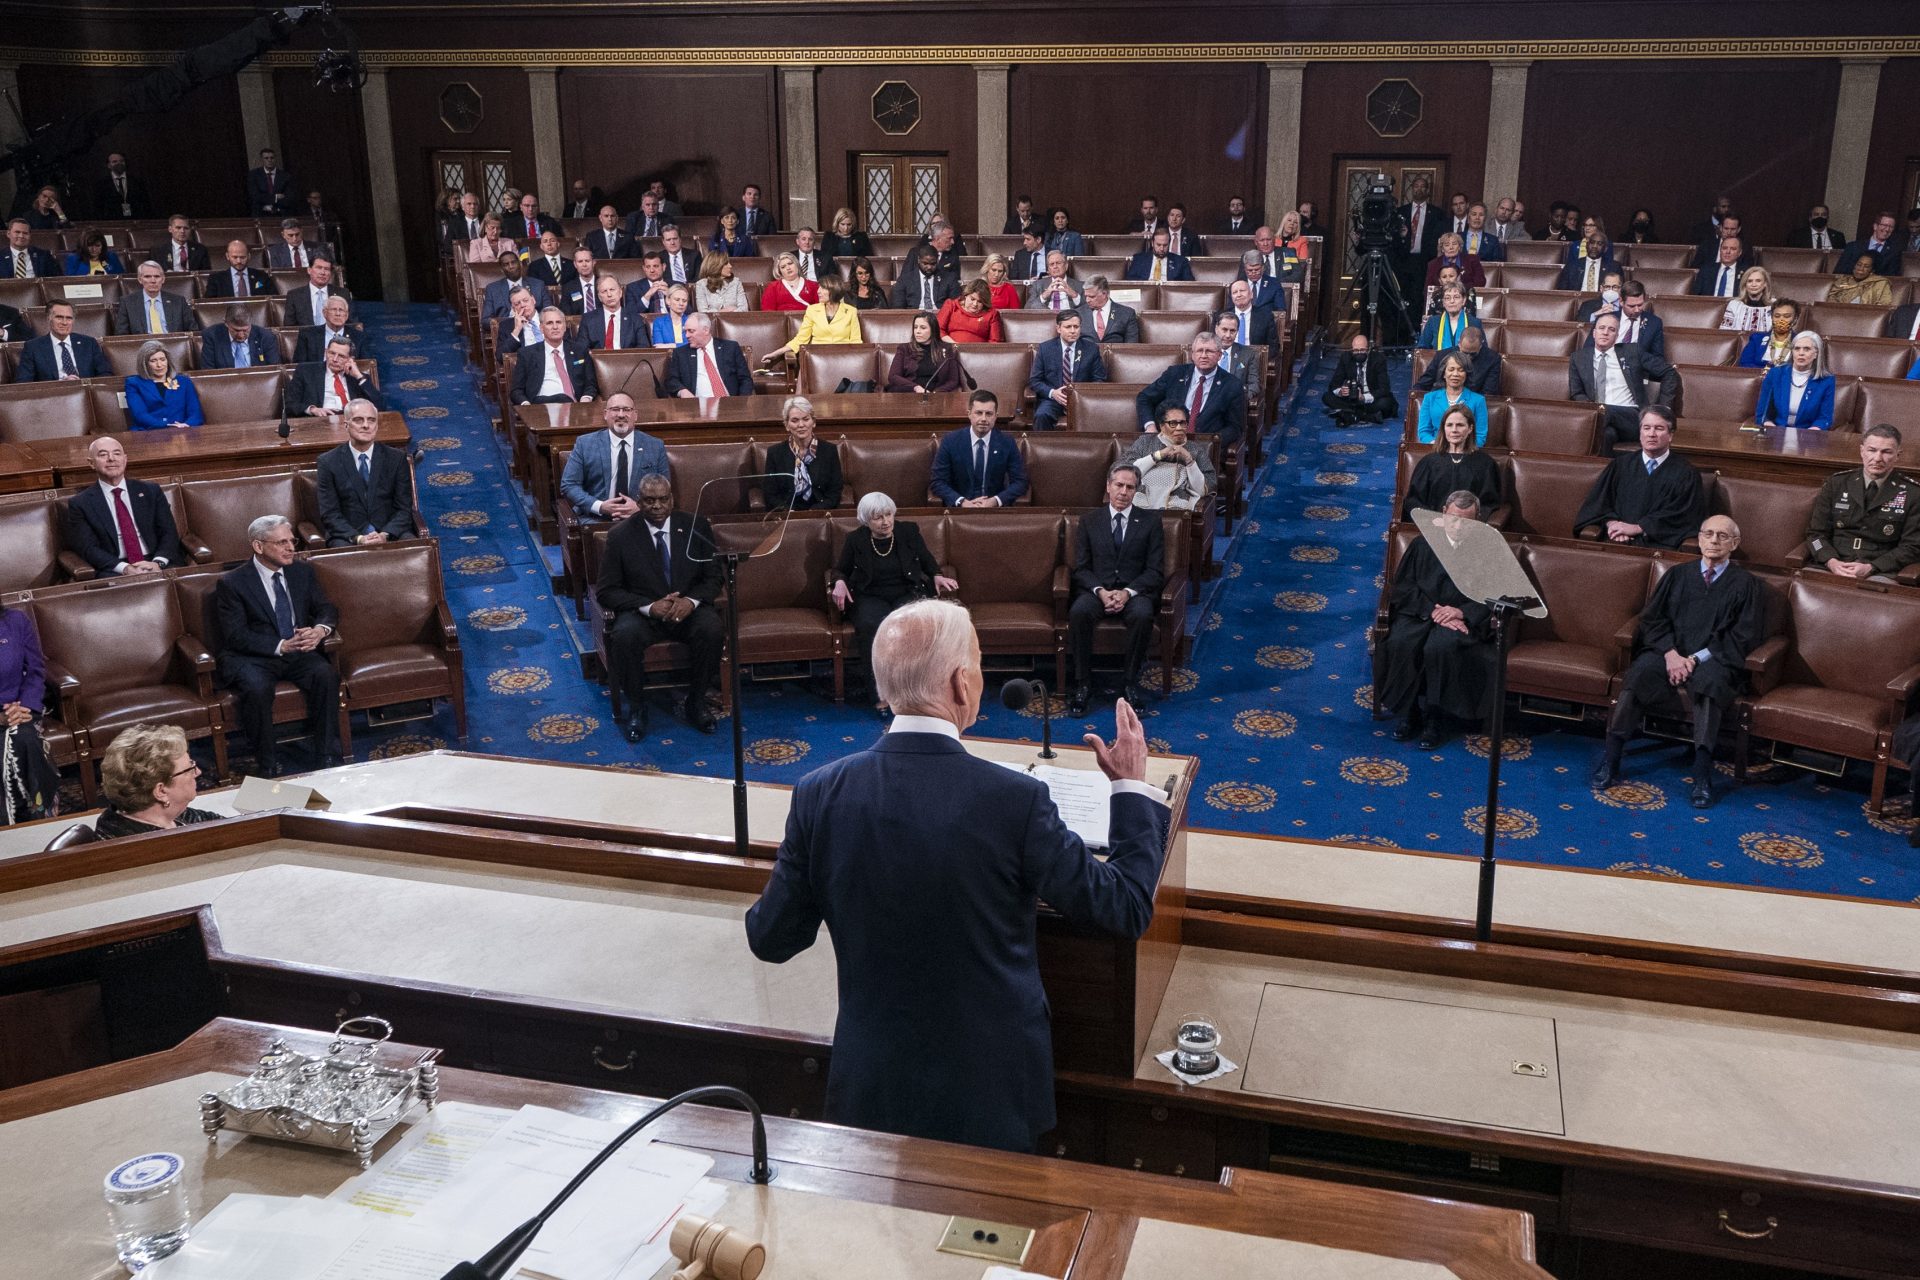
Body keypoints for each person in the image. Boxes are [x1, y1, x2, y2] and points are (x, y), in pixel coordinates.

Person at [745, 597, 1168, 1151]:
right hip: (988, 1094)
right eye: (979, 662)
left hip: (874, 1084)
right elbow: (1124, 908)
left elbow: (771, 938)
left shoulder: (819, 793)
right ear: (961, 683)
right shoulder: (1014, 801)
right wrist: (1130, 788)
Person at [1591, 515, 1763, 809]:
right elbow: (1652, 621)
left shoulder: (1746, 585)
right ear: (1698, 539)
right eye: (1708, 534)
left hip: (1714, 659)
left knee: (1710, 686)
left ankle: (1702, 775)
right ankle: (1612, 758)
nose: (1714, 540)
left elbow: (1742, 636)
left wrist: (1694, 659)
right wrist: (1671, 655)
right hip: (1668, 655)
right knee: (1639, 675)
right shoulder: (1677, 575)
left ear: (1735, 544)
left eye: (1723, 536)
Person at [597, 474, 724, 739]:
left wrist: (690, 601)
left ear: (672, 499)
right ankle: (637, 707)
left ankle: (696, 701)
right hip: (643, 613)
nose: (657, 506)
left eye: (663, 499)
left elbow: (714, 577)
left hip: (686, 611)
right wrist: (649, 606)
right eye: (649, 500)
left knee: (711, 628)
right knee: (624, 636)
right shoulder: (620, 536)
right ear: (639, 502)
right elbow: (607, 591)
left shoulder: (695, 526)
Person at [214, 515, 340, 777]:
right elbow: (236, 635)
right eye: (281, 542)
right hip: (254, 656)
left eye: (291, 541)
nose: (291, 548)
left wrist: (319, 630)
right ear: (258, 546)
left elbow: (325, 608)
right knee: (257, 688)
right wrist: (281, 645)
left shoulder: (301, 571)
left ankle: (326, 756)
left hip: (298, 652)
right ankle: (268, 763)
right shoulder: (232, 583)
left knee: (325, 674)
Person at [1379, 493, 1498, 750]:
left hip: (1461, 620)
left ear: (1478, 520)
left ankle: (1436, 720)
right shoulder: (1423, 545)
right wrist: (1432, 611)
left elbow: (1493, 595)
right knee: (1401, 642)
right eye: (1453, 520)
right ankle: (1409, 714)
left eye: (1466, 522)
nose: (1458, 527)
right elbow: (1403, 588)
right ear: (1443, 514)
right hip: (1421, 614)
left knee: (1440, 649)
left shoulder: (1487, 551)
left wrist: (1461, 613)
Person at [831, 495, 957, 711]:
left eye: (888, 514)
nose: (885, 521)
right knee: (872, 627)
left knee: (913, 625)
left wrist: (936, 575)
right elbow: (841, 568)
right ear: (866, 520)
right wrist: (839, 582)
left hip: (905, 591)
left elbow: (926, 559)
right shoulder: (856, 539)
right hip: (870, 595)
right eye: (878, 518)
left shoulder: (908, 531)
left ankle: (916, 691)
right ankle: (881, 693)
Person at [1066, 464, 1163, 714]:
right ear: (1108, 486)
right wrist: (1100, 591)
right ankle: (1083, 684)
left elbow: (1154, 571)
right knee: (1079, 612)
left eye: (1130, 487)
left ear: (1136, 491)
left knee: (1143, 615)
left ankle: (1130, 683)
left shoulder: (1151, 522)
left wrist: (1127, 592)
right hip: (1097, 591)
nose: (1123, 492)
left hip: (1134, 593)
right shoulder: (1089, 521)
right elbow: (1081, 568)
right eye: (1119, 485)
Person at [1573, 405, 1705, 548]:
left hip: (1658, 546)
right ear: (1640, 432)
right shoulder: (1620, 465)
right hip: (1615, 541)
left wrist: (1639, 528)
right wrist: (1614, 525)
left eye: (1659, 428)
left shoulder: (1686, 474)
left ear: (1670, 435)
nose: (1651, 434)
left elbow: (1684, 518)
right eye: (1646, 428)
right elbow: (1599, 505)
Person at [1802, 425, 1920, 582]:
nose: (1878, 458)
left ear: (1898, 455)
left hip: (1880, 571)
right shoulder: (1836, 483)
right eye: (1872, 450)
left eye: (1886, 452)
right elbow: (1815, 536)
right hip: (1831, 564)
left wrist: (1872, 567)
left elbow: (1912, 548)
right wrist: (1830, 561)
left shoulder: (1913, 493)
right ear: (1862, 451)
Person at [62, 435, 183, 576]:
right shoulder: (81, 503)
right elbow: (89, 548)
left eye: (117, 453)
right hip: (115, 567)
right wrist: (125, 568)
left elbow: (169, 532)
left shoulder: (150, 491)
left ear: (125, 459)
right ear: (91, 463)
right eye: (103, 455)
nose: (111, 459)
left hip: (156, 562)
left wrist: (158, 563)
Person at [1570, 311, 1683, 449]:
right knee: (1607, 434)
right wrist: (1591, 410)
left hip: (1633, 416)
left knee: (1604, 411)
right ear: (1594, 333)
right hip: (1602, 420)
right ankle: (1605, 469)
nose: (1605, 332)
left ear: (1617, 336)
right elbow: (1576, 393)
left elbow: (1669, 372)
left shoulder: (1632, 352)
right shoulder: (1578, 358)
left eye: (1611, 330)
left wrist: (1664, 407)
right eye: (1601, 328)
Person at [90, 725, 222, 836]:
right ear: (161, 791)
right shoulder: (139, 849)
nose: (198, 772)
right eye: (189, 768)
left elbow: (224, 825)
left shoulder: (173, 814)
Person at [315, 400, 415, 546]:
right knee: (341, 553)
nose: (366, 425)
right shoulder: (328, 462)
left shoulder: (397, 458)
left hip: (389, 532)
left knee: (413, 548)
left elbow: (404, 509)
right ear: (346, 424)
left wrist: (385, 535)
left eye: (371, 420)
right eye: (358, 420)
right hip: (348, 536)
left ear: (377, 425)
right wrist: (359, 538)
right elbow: (330, 514)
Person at [560, 391, 667, 520]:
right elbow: (569, 485)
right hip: (596, 519)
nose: (621, 415)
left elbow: (664, 488)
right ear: (605, 414)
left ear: (635, 415)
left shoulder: (655, 446)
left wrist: (641, 507)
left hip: (641, 518)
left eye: (627, 409)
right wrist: (599, 506)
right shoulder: (585, 444)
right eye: (615, 409)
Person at [0, 598, 55, 825]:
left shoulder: (15, 621)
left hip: (20, 709)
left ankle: (37, 816)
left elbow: (35, 670)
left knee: (25, 739)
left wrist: (25, 707)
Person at [1133, 335, 1245, 445]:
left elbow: (1235, 427)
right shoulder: (1175, 374)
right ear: (1193, 354)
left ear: (1219, 355)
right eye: (1199, 351)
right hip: (1166, 441)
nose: (1203, 355)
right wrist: (1150, 427)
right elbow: (1144, 397)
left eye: (1209, 351)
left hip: (1203, 448)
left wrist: (1211, 442)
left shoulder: (1232, 385)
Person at [1403, 406, 1500, 520]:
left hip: (1469, 529)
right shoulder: (1428, 462)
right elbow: (1414, 500)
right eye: (1449, 425)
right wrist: (1431, 520)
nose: (1454, 430)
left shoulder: (1485, 464)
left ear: (1470, 428)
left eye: (1460, 425)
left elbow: (1488, 503)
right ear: (1443, 429)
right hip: (1432, 527)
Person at [931, 390, 1026, 507]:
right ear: (969, 414)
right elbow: (938, 482)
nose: (984, 419)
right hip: (960, 510)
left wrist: (995, 501)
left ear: (996, 416)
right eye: (979, 413)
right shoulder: (950, 441)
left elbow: (1020, 482)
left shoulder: (1007, 442)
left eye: (989, 414)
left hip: (993, 510)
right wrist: (962, 502)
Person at [1124, 406, 1214, 512]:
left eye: (1183, 423)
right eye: (1173, 423)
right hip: (1143, 500)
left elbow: (1203, 489)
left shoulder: (1196, 449)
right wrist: (1158, 455)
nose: (1179, 428)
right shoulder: (1144, 442)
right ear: (1161, 426)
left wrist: (1189, 461)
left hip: (1176, 504)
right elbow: (1126, 472)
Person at [763, 396, 844, 511]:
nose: (801, 425)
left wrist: (815, 511)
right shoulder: (775, 453)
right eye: (795, 420)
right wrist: (787, 512)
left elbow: (835, 491)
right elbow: (770, 493)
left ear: (813, 422)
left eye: (806, 419)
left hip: (820, 513)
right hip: (787, 515)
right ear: (786, 425)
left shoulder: (829, 451)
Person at [1029, 311, 1107, 430]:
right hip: (1054, 398)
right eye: (1068, 327)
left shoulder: (1091, 349)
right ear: (1058, 328)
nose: (1072, 331)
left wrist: (1083, 396)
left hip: (1082, 400)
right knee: (1042, 415)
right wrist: (1053, 393)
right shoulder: (1045, 348)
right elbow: (1035, 380)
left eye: (1076, 327)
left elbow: (1099, 379)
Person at [509, 307, 598, 405]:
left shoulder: (579, 350)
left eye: (559, 322)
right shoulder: (527, 354)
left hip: (576, 407)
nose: (555, 327)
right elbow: (516, 390)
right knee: (562, 398)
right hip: (541, 407)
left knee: (565, 399)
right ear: (541, 328)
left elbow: (591, 384)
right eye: (549, 323)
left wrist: (586, 399)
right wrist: (526, 405)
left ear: (564, 327)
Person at [764, 276, 861, 365]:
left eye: (822, 288)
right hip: (818, 359)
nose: (818, 291)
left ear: (833, 290)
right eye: (818, 288)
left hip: (843, 359)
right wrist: (776, 353)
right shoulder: (812, 310)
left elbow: (856, 341)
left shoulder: (851, 311)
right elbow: (801, 339)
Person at [1754, 333, 1835, 430]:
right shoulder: (1775, 374)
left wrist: (1812, 432)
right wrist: (1769, 425)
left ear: (1816, 354)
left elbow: (1824, 418)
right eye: (1797, 348)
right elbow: (1762, 412)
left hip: (1808, 435)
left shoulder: (1826, 381)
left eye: (1807, 349)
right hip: (1777, 433)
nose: (1801, 353)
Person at [666, 313, 755, 397]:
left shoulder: (730, 348)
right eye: (685, 331)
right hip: (698, 406)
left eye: (691, 331)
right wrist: (682, 391)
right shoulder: (681, 354)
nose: (687, 335)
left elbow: (745, 379)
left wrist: (742, 402)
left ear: (706, 330)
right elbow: (671, 380)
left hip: (731, 404)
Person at [16, 301, 109, 381]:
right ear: (49, 318)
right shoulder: (33, 347)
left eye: (69, 318)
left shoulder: (89, 343)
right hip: (55, 397)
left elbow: (105, 373)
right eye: (59, 317)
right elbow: (24, 382)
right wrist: (61, 385)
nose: (64, 323)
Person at [1414, 351, 1489, 446]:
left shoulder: (1478, 401)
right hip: (1436, 450)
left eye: (1461, 370)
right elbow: (1424, 432)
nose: (1455, 374)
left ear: (1467, 374)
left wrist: (1461, 449)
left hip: (1466, 453)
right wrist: (1439, 446)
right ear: (1444, 373)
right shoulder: (1430, 398)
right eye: (1451, 369)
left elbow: (1480, 436)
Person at [124, 340, 203, 430]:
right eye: (153, 361)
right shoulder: (134, 383)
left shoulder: (184, 382)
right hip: (148, 432)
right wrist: (167, 426)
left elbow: (195, 414)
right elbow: (140, 415)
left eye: (162, 359)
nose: (159, 365)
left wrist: (186, 425)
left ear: (168, 361)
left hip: (181, 431)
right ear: (145, 364)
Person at [886, 310, 968, 394]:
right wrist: (916, 387)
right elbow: (893, 376)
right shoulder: (904, 349)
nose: (917, 331)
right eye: (915, 327)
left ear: (933, 330)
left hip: (937, 397)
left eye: (923, 328)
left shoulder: (947, 349)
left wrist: (936, 392)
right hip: (909, 393)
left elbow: (953, 380)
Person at [1323, 332, 1397, 426]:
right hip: (1351, 399)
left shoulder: (1378, 359)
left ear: (1368, 349)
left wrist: (1364, 397)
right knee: (1327, 397)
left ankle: (1349, 414)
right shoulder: (1346, 358)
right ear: (1352, 350)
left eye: (1362, 350)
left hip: (1371, 399)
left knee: (1386, 403)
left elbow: (1385, 388)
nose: (1359, 353)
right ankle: (1365, 416)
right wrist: (1341, 391)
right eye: (1356, 350)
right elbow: (1334, 384)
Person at [1414, 324, 1501, 397]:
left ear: (1481, 345)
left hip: (1472, 405)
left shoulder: (1492, 359)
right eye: (1465, 353)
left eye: (1473, 354)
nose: (1468, 357)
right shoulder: (1442, 356)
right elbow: (1423, 384)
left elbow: (1489, 393)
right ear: (1459, 344)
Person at [113, 260, 192, 335]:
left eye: (157, 276)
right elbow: (121, 334)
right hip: (143, 346)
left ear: (163, 279)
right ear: (140, 280)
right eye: (147, 276)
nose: (153, 280)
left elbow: (192, 330)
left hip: (173, 344)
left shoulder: (178, 301)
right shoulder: (128, 302)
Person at [198, 306, 281, 369]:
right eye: (236, 330)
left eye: (245, 330)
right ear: (226, 323)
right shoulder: (212, 336)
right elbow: (208, 371)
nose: (241, 335)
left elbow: (274, 371)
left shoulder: (266, 337)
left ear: (250, 323)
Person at [481, 251, 547, 327]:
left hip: (536, 327)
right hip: (507, 331)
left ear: (520, 264)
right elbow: (485, 320)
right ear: (501, 269)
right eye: (506, 264)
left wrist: (533, 320)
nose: (511, 266)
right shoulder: (492, 289)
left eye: (514, 262)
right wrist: (512, 322)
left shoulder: (538, 284)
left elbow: (549, 311)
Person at [580, 274, 643, 351]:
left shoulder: (635, 319)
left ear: (620, 292)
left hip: (628, 361)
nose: (609, 295)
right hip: (599, 361)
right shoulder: (588, 319)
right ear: (599, 297)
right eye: (604, 291)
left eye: (612, 289)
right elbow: (581, 349)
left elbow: (643, 347)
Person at [889, 247, 958, 311]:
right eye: (925, 263)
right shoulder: (905, 279)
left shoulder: (949, 278)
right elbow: (898, 306)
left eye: (933, 264)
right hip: (914, 316)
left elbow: (956, 304)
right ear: (919, 260)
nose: (929, 267)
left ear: (937, 260)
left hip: (939, 315)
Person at [936, 279, 1003, 346]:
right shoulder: (951, 305)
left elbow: (995, 342)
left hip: (979, 354)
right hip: (950, 348)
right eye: (972, 299)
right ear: (966, 295)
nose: (975, 304)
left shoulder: (992, 314)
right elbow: (938, 329)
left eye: (980, 301)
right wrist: (954, 345)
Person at [1416, 282, 1481, 350]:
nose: (1452, 301)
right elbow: (1422, 350)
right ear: (1443, 302)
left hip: (1467, 360)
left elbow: (1482, 352)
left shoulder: (1475, 323)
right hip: (1439, 360)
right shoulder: (1433, 322)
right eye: (1447, 298)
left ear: (1463, 300)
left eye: (1456, 297)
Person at [1075, 277, 1138, 345]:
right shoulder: (1078, 314)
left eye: (1092, 297)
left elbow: (1132, 346)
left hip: (1116, 354)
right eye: (1086, 296)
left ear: (1104, 294)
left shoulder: (1126, 313)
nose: (1087, 300)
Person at [1737, 300, 1800, 368]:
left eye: (1787, 316)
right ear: (1772, 318)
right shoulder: (1757, 339)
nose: (1781, 320)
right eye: (1777, 316)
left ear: (1795, 319)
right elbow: (1745, 364)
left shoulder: (1801, 341)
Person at [1835, 212, 1901, 277]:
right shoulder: (1853, 247)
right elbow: (1838, 273)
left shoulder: (1894, 252)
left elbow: (1893, 277)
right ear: (1875, 226)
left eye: (1891, 227)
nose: (1887, 229)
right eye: (1884, 225)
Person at [205, 239, 275, 298]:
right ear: (227, 256)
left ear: (249, 256)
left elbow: (273, 300)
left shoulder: (262, 276)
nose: (239, 261)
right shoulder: (216, 279)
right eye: (235, 257)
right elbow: (209, 305)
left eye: (242, 257)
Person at [92, 151, 151, 221]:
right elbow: (99, 207)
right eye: (114, 162)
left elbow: (145, 202)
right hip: (112, 221)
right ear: (109, 165)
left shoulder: (136, 181)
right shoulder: (102, 184)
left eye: (121, 161)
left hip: (136, 219)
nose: (118, 163)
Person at [1122, 229, 1194, 283]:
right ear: (1152, 243)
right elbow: (1129, 281)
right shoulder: (1139, 259)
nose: (1162, 249)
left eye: (1165, 245)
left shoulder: (1181, 261)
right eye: (1158, 245)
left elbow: (1189, 284)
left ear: (1169, 244)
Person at [1826, 251, 1895, 306]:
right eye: (1859, 265)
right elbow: (1830, 299)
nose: (1860, 269)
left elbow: (1884, 304)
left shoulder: (1881, 283)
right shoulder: (1843, 280)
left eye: (1866, 266)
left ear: (1872, 270)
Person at [1721, 266, 1774, 334]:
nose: (1753, 284)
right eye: (1749, 281)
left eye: (1758, 281)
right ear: (1745, 284)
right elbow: (1725, 332)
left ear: (1765, 284)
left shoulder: (1775, 306)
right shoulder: (1734, 305)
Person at [247, 148, 295, 215]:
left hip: (281, 213)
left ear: (275, 159)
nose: (269, 160)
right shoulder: (254, 175)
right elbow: (255, 196)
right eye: (266, 158)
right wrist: (275, 197)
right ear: (261, 160)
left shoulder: (285, 176)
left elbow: (289, 197)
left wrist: (265, 199)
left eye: (272, 158)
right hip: (261, 214)